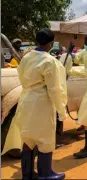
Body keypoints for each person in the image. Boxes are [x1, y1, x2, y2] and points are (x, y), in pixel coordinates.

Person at [2, 29, 68, 179]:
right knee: (45, 139)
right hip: (41, 102)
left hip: (25, 99)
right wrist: (61, 111)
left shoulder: (26, 57)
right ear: (51, 44)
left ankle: (28, 174)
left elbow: (21, 75)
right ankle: (46, 174)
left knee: (28, 138)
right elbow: (54, 90)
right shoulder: (49, 61)